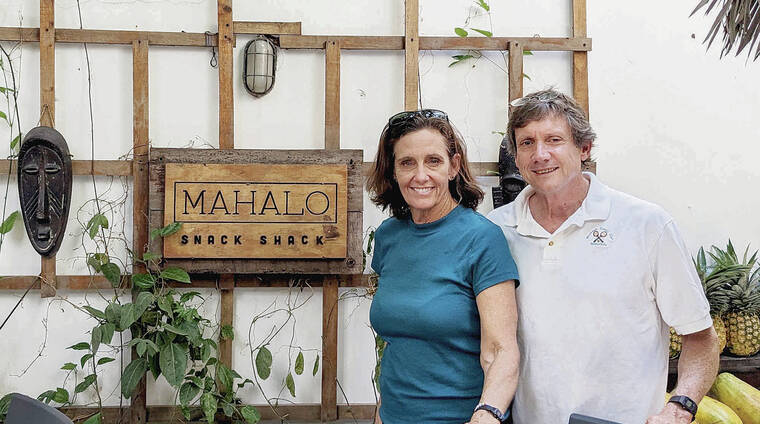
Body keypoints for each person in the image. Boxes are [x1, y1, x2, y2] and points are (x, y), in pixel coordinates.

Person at [487, 89, 720, 424]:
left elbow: (700, 338)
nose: (540, 154)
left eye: (553, 140)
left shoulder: (647, 225)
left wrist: (679, 407)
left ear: (584, 148)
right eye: (527, 143)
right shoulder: (497, 230)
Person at [367, 109, 520, 424]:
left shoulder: (482, 238)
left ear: (454, 166)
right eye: (407, 162)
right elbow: (402, 338)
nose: (420, 175)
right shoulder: (388, 236)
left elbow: (501, 349)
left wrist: (488, 413)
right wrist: (382, 412)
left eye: (433, 161)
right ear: (393, 172)